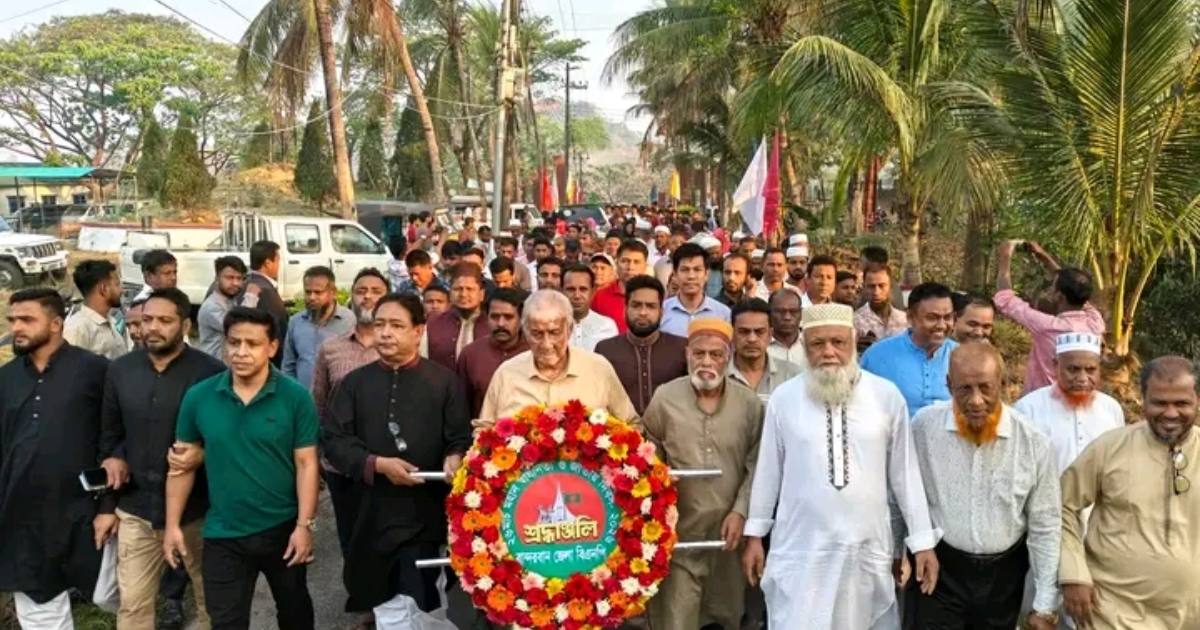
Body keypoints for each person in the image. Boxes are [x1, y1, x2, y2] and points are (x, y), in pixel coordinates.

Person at [742, 303, 940, 630]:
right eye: (818, 344)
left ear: (853, 342)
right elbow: (768, 472)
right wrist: (755, 536)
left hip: (864, 549)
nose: (829, 352)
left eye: (838, 342)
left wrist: (921, 543)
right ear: (804, 347)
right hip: (801, 550)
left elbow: (906, 475)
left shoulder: (886, 396)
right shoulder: (784, 398)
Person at [164, 307, 319, 630]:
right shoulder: (199, 397)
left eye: (252, 343)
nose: (241, 352)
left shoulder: (296, 397)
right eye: (234, 343)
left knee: (295, 614)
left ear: (272, 348)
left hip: (282, 528)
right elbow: (181, 465)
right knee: (226, 622)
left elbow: (306, 463)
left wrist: (304, 526)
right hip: (224, 533)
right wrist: (172, 525)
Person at [323, 292, 472, 626]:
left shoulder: (443, 381)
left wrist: (454, 458)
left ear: (418, 331)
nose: (386, 333)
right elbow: (334, 440)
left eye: (396, 325)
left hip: (426, 513)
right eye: (380, 325)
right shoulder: (354, 384)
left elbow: (459, 436)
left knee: (426, 602)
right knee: (384, 599)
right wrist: (376, 464)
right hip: (370, 513)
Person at [95, 288, 225, 630]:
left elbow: (231, 437)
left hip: (199, 512)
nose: (152, 328)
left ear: (185, 325)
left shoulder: (211, 373)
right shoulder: (120, 370)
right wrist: (108, 503)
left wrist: (204, 453)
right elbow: (110, 437)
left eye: (164, 321)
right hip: (137, 509)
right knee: (133, 608)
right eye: (146, 320)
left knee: (214, 603)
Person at [907, 343, 1061, 630]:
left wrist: (1044, 603)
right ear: (948, 384)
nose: (976, 401)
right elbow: (906, 496)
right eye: (964, 389)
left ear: (1002, 385)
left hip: (1004, 578)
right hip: (940, 573)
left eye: (985, 388)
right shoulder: (923, 428)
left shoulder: (1034, 442)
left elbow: (1046, 525)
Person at [1058, 356, 1200, 630]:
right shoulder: (1110, 448)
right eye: (1159, 402)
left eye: (1181, 403)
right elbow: (1060, 506)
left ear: (1197, 400)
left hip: (1189, 616)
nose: (1170, 413)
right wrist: (1073, 573)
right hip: (1112, 613)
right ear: (1143, 399)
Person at [642, 319, 764, 630]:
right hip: (679, 538)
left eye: (715, 354)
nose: (706, 362)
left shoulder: (749, 403)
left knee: (726, 618)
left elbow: (757, 465)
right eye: (699, 354)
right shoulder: (665, 398)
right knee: (678, 620)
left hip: (729, 539)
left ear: (729, 356)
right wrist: (659, 476)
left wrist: (740, 512)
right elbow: (646, 454)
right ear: (687, 354)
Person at [475, 290, 639, 430]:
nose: (546, 344)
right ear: (524, 332)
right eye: (537, 334)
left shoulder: (598, 369)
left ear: (570, 330)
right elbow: (484, 431)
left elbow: (631, 425)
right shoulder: (507, 374)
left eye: (554, 333)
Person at [310, 268, 389, 558]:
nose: (368, 297)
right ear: (351, 297)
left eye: (376, 291)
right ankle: (359, 594)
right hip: (341, 463)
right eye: (361, 290)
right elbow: (318, 405)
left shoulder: (401, 347)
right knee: (351, 535)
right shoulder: (331, 348)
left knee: (387, 534)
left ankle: (387, 597)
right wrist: (317, 455)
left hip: (389, 460)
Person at [994, 241, 1105, 394]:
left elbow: (1004, 300)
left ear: (1058, 296)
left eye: (1053, 287)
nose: (1051, 290)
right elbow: (1074, 286)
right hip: (1079, 399)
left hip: (1041, 405)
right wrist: (1043, 256)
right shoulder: (1095, 322)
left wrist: (1005, 257)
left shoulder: (1048, 326)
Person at [1014, 333, 1125, 475]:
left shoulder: (1111, 409)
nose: (1083, 379)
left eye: (1091, 370)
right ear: (1056, 366)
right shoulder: (1028, 409)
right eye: (1073, 370)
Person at [595, 275, 689, 414]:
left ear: (661, 312)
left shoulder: (681, 348)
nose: (643, 312)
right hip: (619, 432)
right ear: (625, 309)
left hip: (671, 433)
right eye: (636, 305)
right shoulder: (605, 350)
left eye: (651, 306)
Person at [861, 282, 958, 417]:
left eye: (947, 317)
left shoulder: (962, 357)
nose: (941, 325)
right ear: (910, 317)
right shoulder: (877, 356)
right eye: (932, 318)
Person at [456, 288, 530, 418]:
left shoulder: (533, 353)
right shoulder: (471, 354)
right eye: (495, 317)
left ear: (521, 320)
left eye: (508, 317)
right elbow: (462, 407)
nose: (500, 324)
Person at [281, 266, 355, 388]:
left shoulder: (349, 321)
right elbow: (288, 366)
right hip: (303, 400)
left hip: (337, 399)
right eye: (308, 292)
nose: (312, 297)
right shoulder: (296, 322)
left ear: (333, 292)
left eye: (318, 292)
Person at [727, 298, 803, 401]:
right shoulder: (717, 376)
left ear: (770, 334)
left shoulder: (793, 376)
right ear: (732, 334)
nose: (752, 339)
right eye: (744, 331)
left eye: (759, 332)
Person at [424, 262, 490, 371]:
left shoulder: (492, 326)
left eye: (469, 289)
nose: (463, 294)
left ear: (481, 294)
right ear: (450, 292)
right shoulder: (432, 325)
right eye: (458, 289)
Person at [64, 258, 130, 360]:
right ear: (104, 289)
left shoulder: (111, 321)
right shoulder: (77, 328)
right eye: (117, 284)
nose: (122, 290)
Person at [662, 243, 731, 336]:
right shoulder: (662, 312)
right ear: (675, 274)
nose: (691, 276)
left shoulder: (723, 314)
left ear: (706, 274)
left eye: (697, 269)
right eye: (685, 270)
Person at [591, 240, 650, 332]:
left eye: (636, 262)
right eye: (625, 261)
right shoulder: (599, 297)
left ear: (645, 266)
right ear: (617, 263)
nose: (630, 267)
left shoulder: (654, 298)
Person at [246, 241, 289, 367]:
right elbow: (275, 328)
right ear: (268, 263)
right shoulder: (264, 290)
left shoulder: (247, 283)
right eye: (278, 260)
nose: (279, 265)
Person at [198, 256, 249, 360]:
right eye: (230, 278)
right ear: (217, 279)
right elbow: (239, 327)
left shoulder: (231, 301)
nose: (235, 283)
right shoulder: (212, 307)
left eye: (239, 278)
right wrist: (251, 297)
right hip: (213, 367)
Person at [562, 264, 619, 351]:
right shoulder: (551, 325)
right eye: (571, 289)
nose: (577, 295)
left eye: (583, 289)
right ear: (562, 291)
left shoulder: (607, 326)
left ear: (592, 292)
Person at [854, 262, 907, 351]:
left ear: (890, 287)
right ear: (864, 287)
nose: (876, 292)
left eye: (882, 286)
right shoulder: (855, 321)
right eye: (871, 286)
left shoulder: (905, 320)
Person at [766, 289, 805, 365]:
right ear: (769, 314)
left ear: (801, 314)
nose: (787, 317)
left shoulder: (811, 344)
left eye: (793, 311)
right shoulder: (761, 346)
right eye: (780, 311)